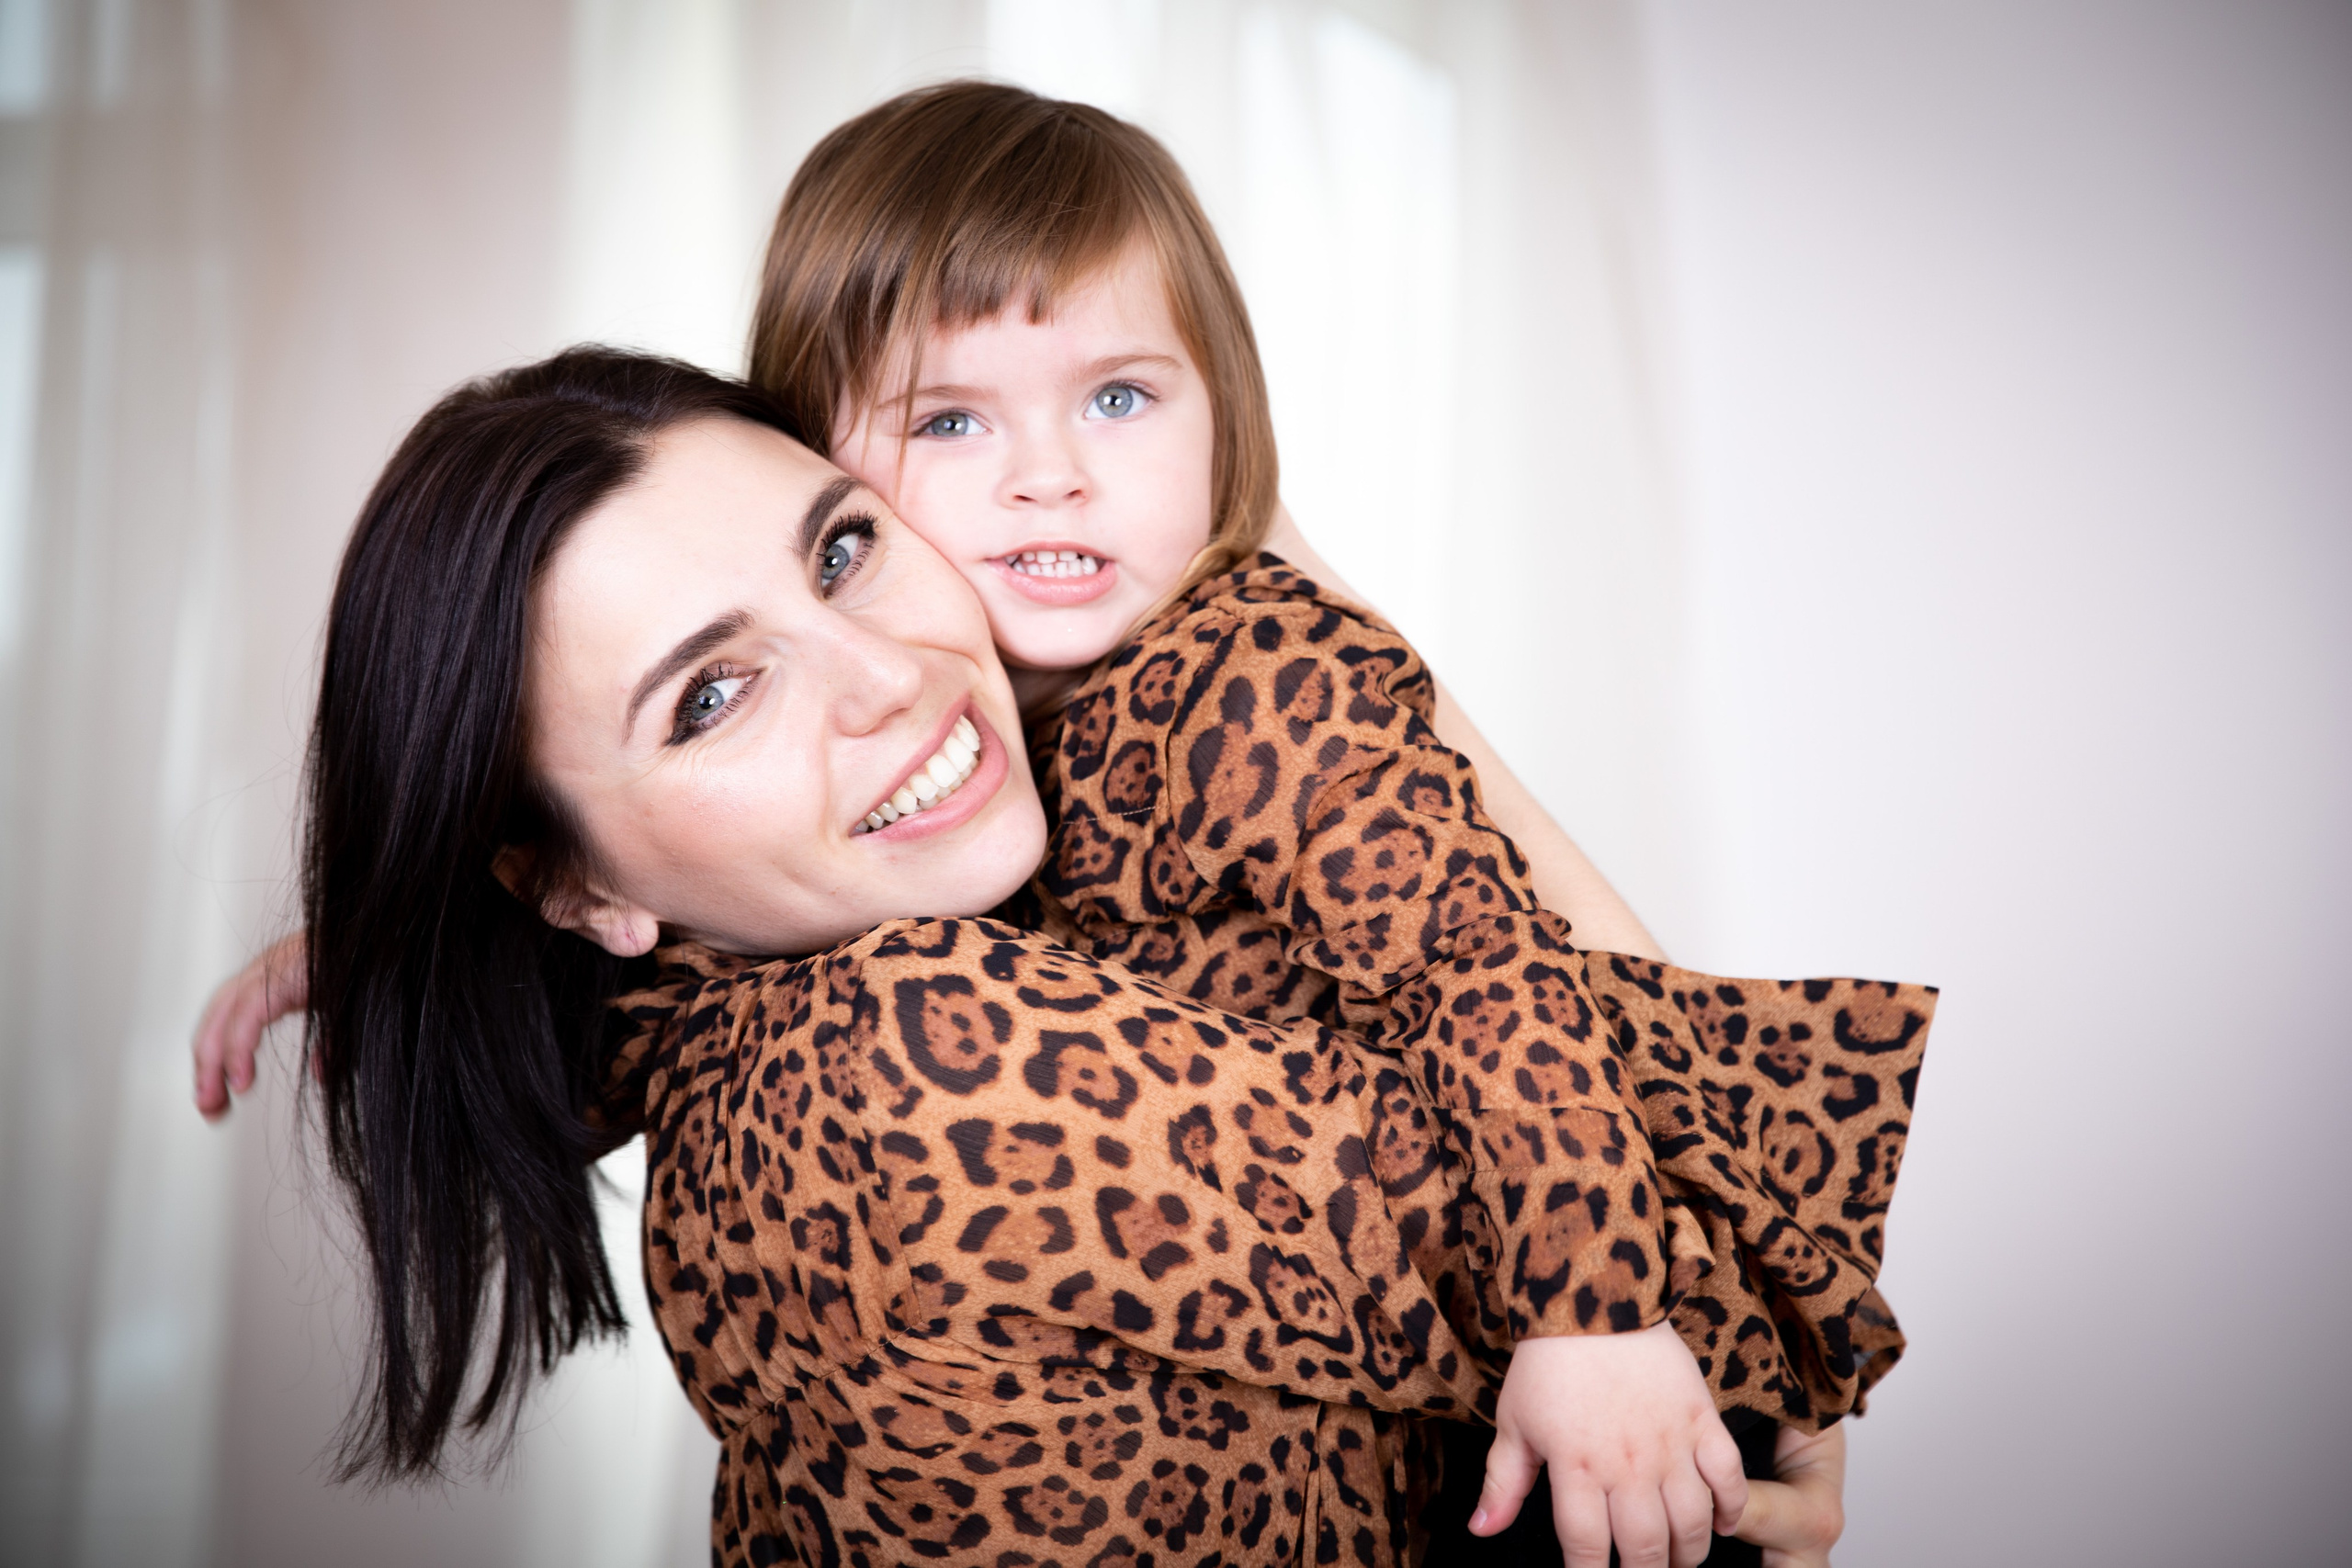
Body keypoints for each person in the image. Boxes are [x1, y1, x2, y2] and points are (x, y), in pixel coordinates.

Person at [198, 83, 1921, 1568]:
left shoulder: (1211, 695)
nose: (880, 678)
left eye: (840, 550)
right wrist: (1728, 1344)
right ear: (572, 881)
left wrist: (1293, 590)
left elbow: (1476, 961)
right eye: (712, 697)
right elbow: (1648, 1265)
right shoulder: (890, 1042)